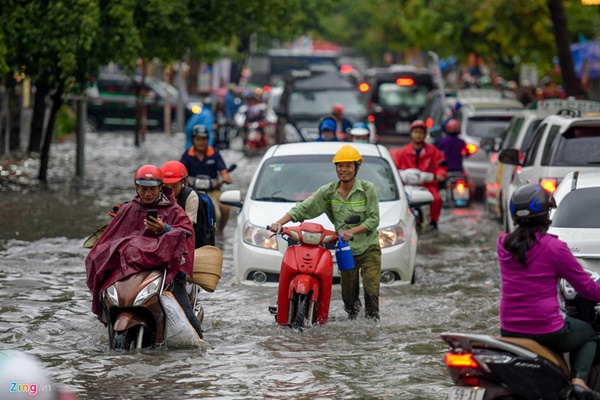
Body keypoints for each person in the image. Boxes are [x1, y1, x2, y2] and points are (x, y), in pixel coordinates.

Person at [498, 184, 600, 390]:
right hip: (547, 328)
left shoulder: (503, 244)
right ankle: (579, 381)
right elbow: (587, 289)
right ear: (547, 213)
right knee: (590, 333)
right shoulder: (555, 248)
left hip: (508, 328)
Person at [85, 165, 203, 338]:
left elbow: (187, 234)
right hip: (131, 271)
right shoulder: (128, 210)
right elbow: (110, 240)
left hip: (166, 272)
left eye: (152, 189)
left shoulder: (174, 211)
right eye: (143, 189)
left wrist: (165, 228)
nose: (148, 193)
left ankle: (199, 342)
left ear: (161, 187)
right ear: (137, 187)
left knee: (188, 318)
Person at [268, 145, 382, 320]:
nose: (343, 170)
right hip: (346, 251)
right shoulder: (328, 192)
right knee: (348, 299)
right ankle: (354, 321)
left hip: (369, 249)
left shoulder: (368, 189)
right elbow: (304, 208)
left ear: (356, 168)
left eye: (348, 166)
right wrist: (279, 222)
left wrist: (352, 231)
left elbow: (374, 220)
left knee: (371, 291)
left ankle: (372, 326)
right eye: (340, 166)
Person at [392, 120, 447, 230]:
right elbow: (393, 168)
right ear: (411, 134)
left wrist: (440, 175)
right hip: (406, 185)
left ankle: (434, 222)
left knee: (436, 199)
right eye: (416, 132)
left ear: (425, 135)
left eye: (421, 132)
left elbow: (441, 166)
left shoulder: (433, 152)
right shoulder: (401, 153)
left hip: (428, 184)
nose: (418, 135)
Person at [180, 124, 233, 234]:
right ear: (193, 140)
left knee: (225, 207)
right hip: (191, 190)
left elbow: (223, 169)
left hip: (213, 189)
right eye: (198, 139)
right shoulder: (187, 155)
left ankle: (220, 231)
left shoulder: (214, 153)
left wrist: (225, 177)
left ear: (207, 140)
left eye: (204, 139)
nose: (201, 142)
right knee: (179, 207)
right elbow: (181, 170)